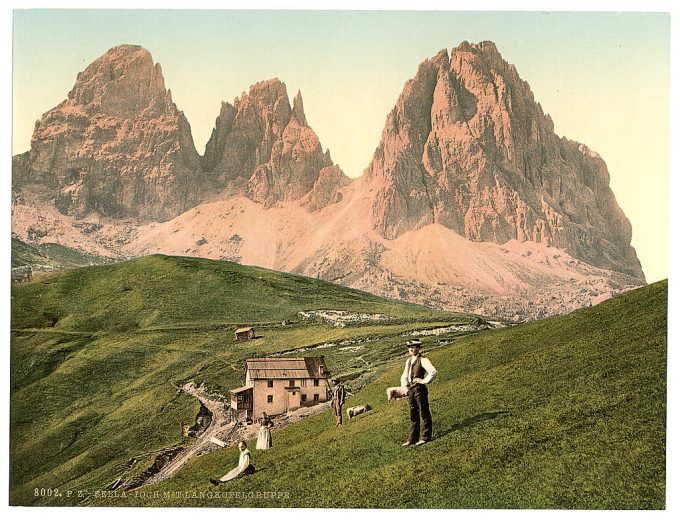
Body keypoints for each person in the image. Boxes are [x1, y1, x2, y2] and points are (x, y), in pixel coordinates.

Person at [400, 339, 437, 446]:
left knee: (424, 412)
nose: (411, 349)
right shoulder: (408, 361)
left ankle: (426, 437)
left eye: (414, 347)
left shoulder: (423, 360)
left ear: (418, 348)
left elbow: (433, 372)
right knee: (413, 413)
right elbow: (404, 375)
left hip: (419, 389)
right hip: (411, 389)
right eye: (409, 347)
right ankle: (412, 439)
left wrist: (423, 380)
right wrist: (405, 387)